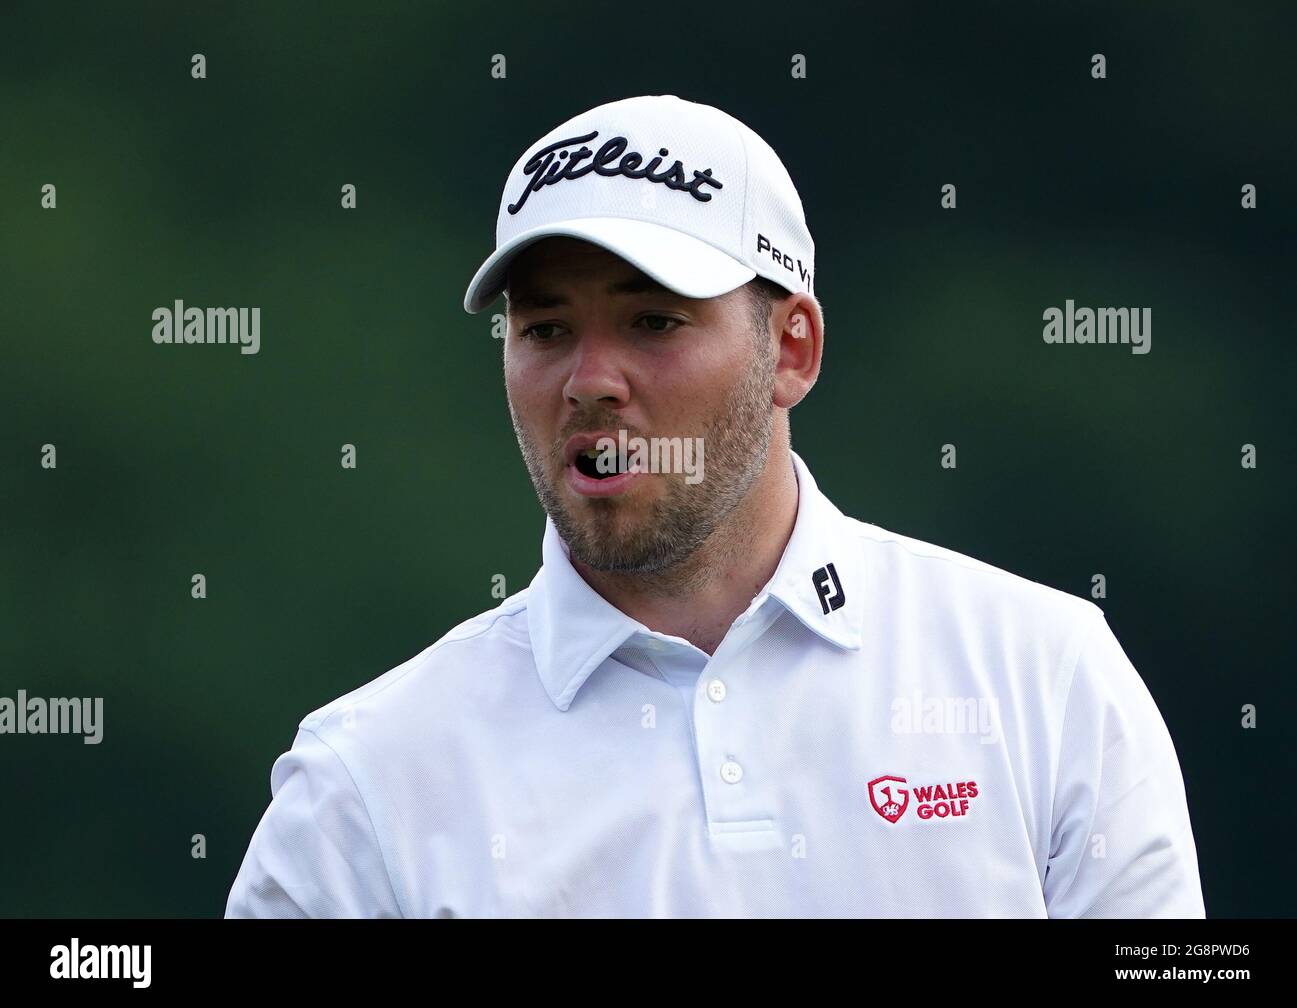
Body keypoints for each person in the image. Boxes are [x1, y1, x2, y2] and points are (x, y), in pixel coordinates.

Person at [226, 94, 1204, 918]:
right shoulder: (366, 781)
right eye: (545, 328)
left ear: (792, 349)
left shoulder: (1043, 676)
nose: (589, 380)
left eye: (653, 320)